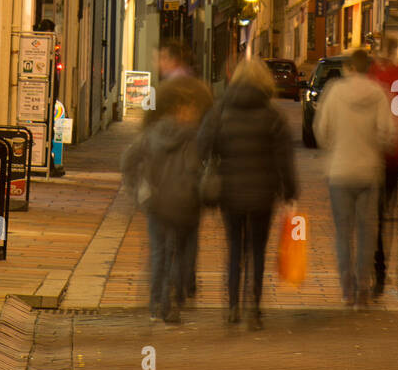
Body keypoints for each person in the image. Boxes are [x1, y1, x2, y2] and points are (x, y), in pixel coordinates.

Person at [197, 57, 296, 331]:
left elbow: (202, 146)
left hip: (229, 191)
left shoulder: (219, 111)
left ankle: (232, 308)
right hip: (263, 192)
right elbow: (284, 156)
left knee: (234, 248)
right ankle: (255, 307)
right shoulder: (272, 115)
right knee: (257, 250)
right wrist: (290, 190)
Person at [314, 49, 398, 310]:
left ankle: (347, 289)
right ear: (368, 68)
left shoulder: (334, 92)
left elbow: (321, 130)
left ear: (350, 67)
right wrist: (376, 147)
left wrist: (334, 148)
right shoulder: (379, 93)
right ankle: (363, 287)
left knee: (343, 232)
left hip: (339, 172)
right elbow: (391, 132)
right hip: (368, 171)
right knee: (366, 232)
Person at [121, 76, 210, 324]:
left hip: (156, 203)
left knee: (159, 252)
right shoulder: (194, 137)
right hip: (183, 203)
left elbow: (128, 161)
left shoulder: (152, 134)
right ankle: (172, 301)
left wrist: (138, 189)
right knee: (179, 253)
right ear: (182, 109)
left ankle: (156, 303)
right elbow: (200, 170)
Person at [368, 40, 398, 298]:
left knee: (374, 216)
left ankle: (378, 268)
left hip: (373, 156)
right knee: (384, 214)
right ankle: (382, 267)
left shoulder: (371, 75)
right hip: (393, 157)